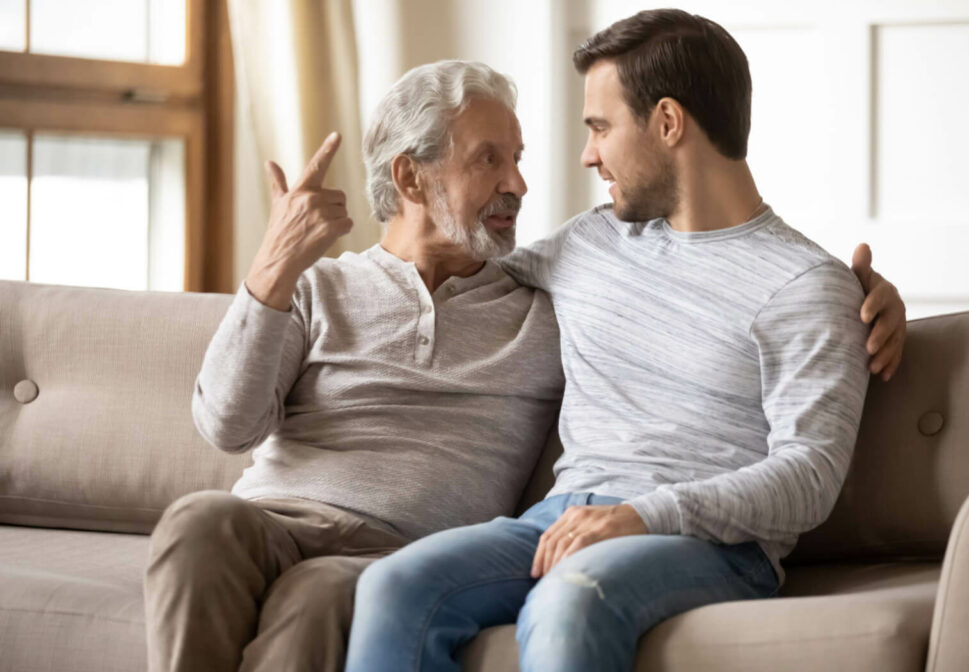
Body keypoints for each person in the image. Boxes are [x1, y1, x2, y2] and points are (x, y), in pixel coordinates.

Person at [345, 10, 903, 672]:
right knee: (393, 586)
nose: (588, 153)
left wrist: (643, 514)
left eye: (600, 128)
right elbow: (459, 256)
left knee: (570, 598)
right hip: (558, 519)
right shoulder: (589, 243)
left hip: (710, 543)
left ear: (668, 123)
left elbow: (809, 477)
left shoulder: (805, 285)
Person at [144, 61, 565, 672]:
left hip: (403, 551)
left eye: (518, 158)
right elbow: (228, 426)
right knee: (199, 520)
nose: (518, 184)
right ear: (411, 178)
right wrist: (271, 269)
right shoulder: (318, 286)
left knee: (318, 596)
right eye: (489, 160)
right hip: (274, 518)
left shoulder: (541, 313)